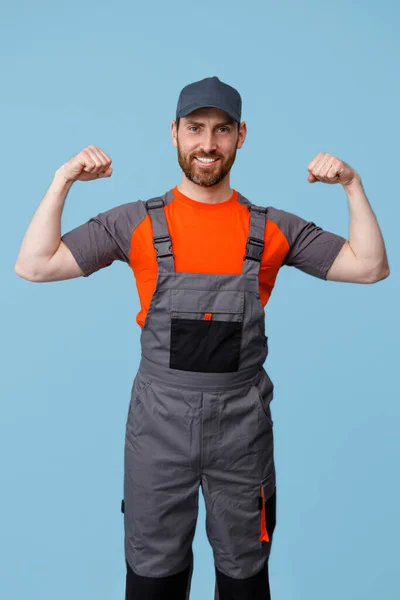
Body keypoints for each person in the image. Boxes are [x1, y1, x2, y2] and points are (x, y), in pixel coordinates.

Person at [15, 76, 390, 600]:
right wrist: (62, 180)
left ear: (241, 136)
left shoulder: (272, 228)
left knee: (244, 577)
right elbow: (34, 265)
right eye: (195, 129)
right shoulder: (135, 223)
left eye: (222, 130)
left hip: (241, 429)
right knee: (152, 576)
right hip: (158, 428)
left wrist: (353, 183)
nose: (208, 144)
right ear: (174, 133)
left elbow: (370, 267)